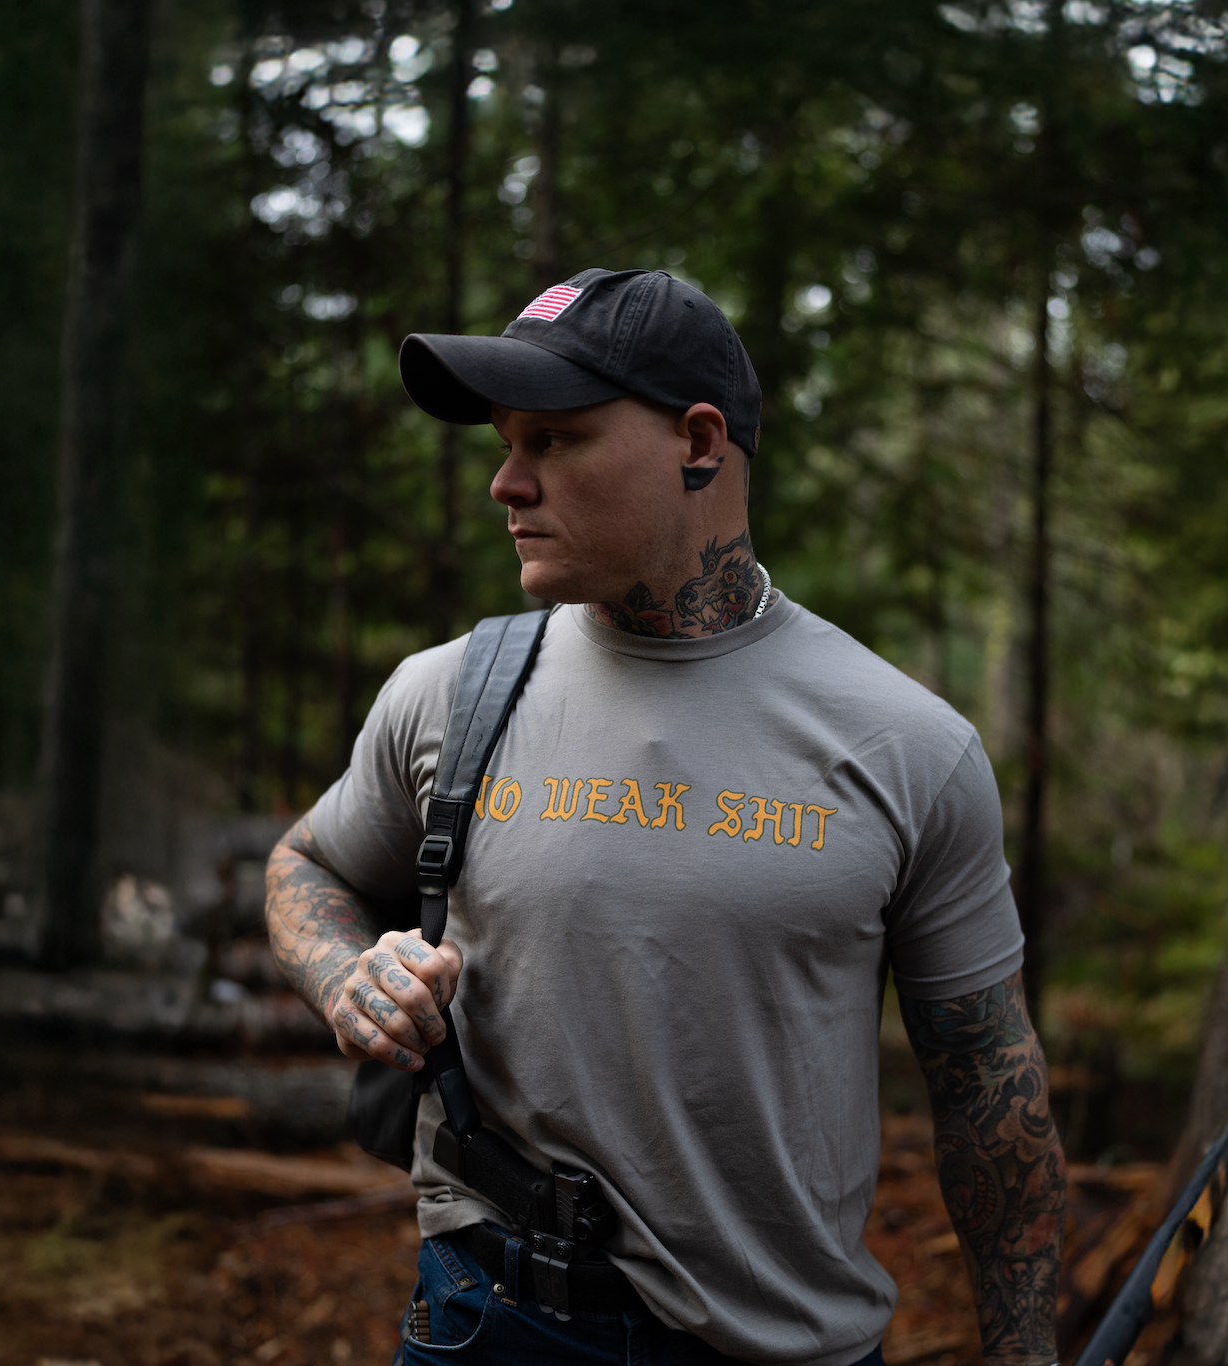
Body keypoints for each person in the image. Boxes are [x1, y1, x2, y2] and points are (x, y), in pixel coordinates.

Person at [265, 268, 1065, 1366]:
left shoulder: (906, 746)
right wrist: (344, 977)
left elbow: (988, 1087)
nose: (506, 482)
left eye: (553, 440)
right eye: (506, 443)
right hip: (491, 1321)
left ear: (698, 443)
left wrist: (1027, 1355)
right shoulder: (450, 693)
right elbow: (307, 864)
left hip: (781, 1347)